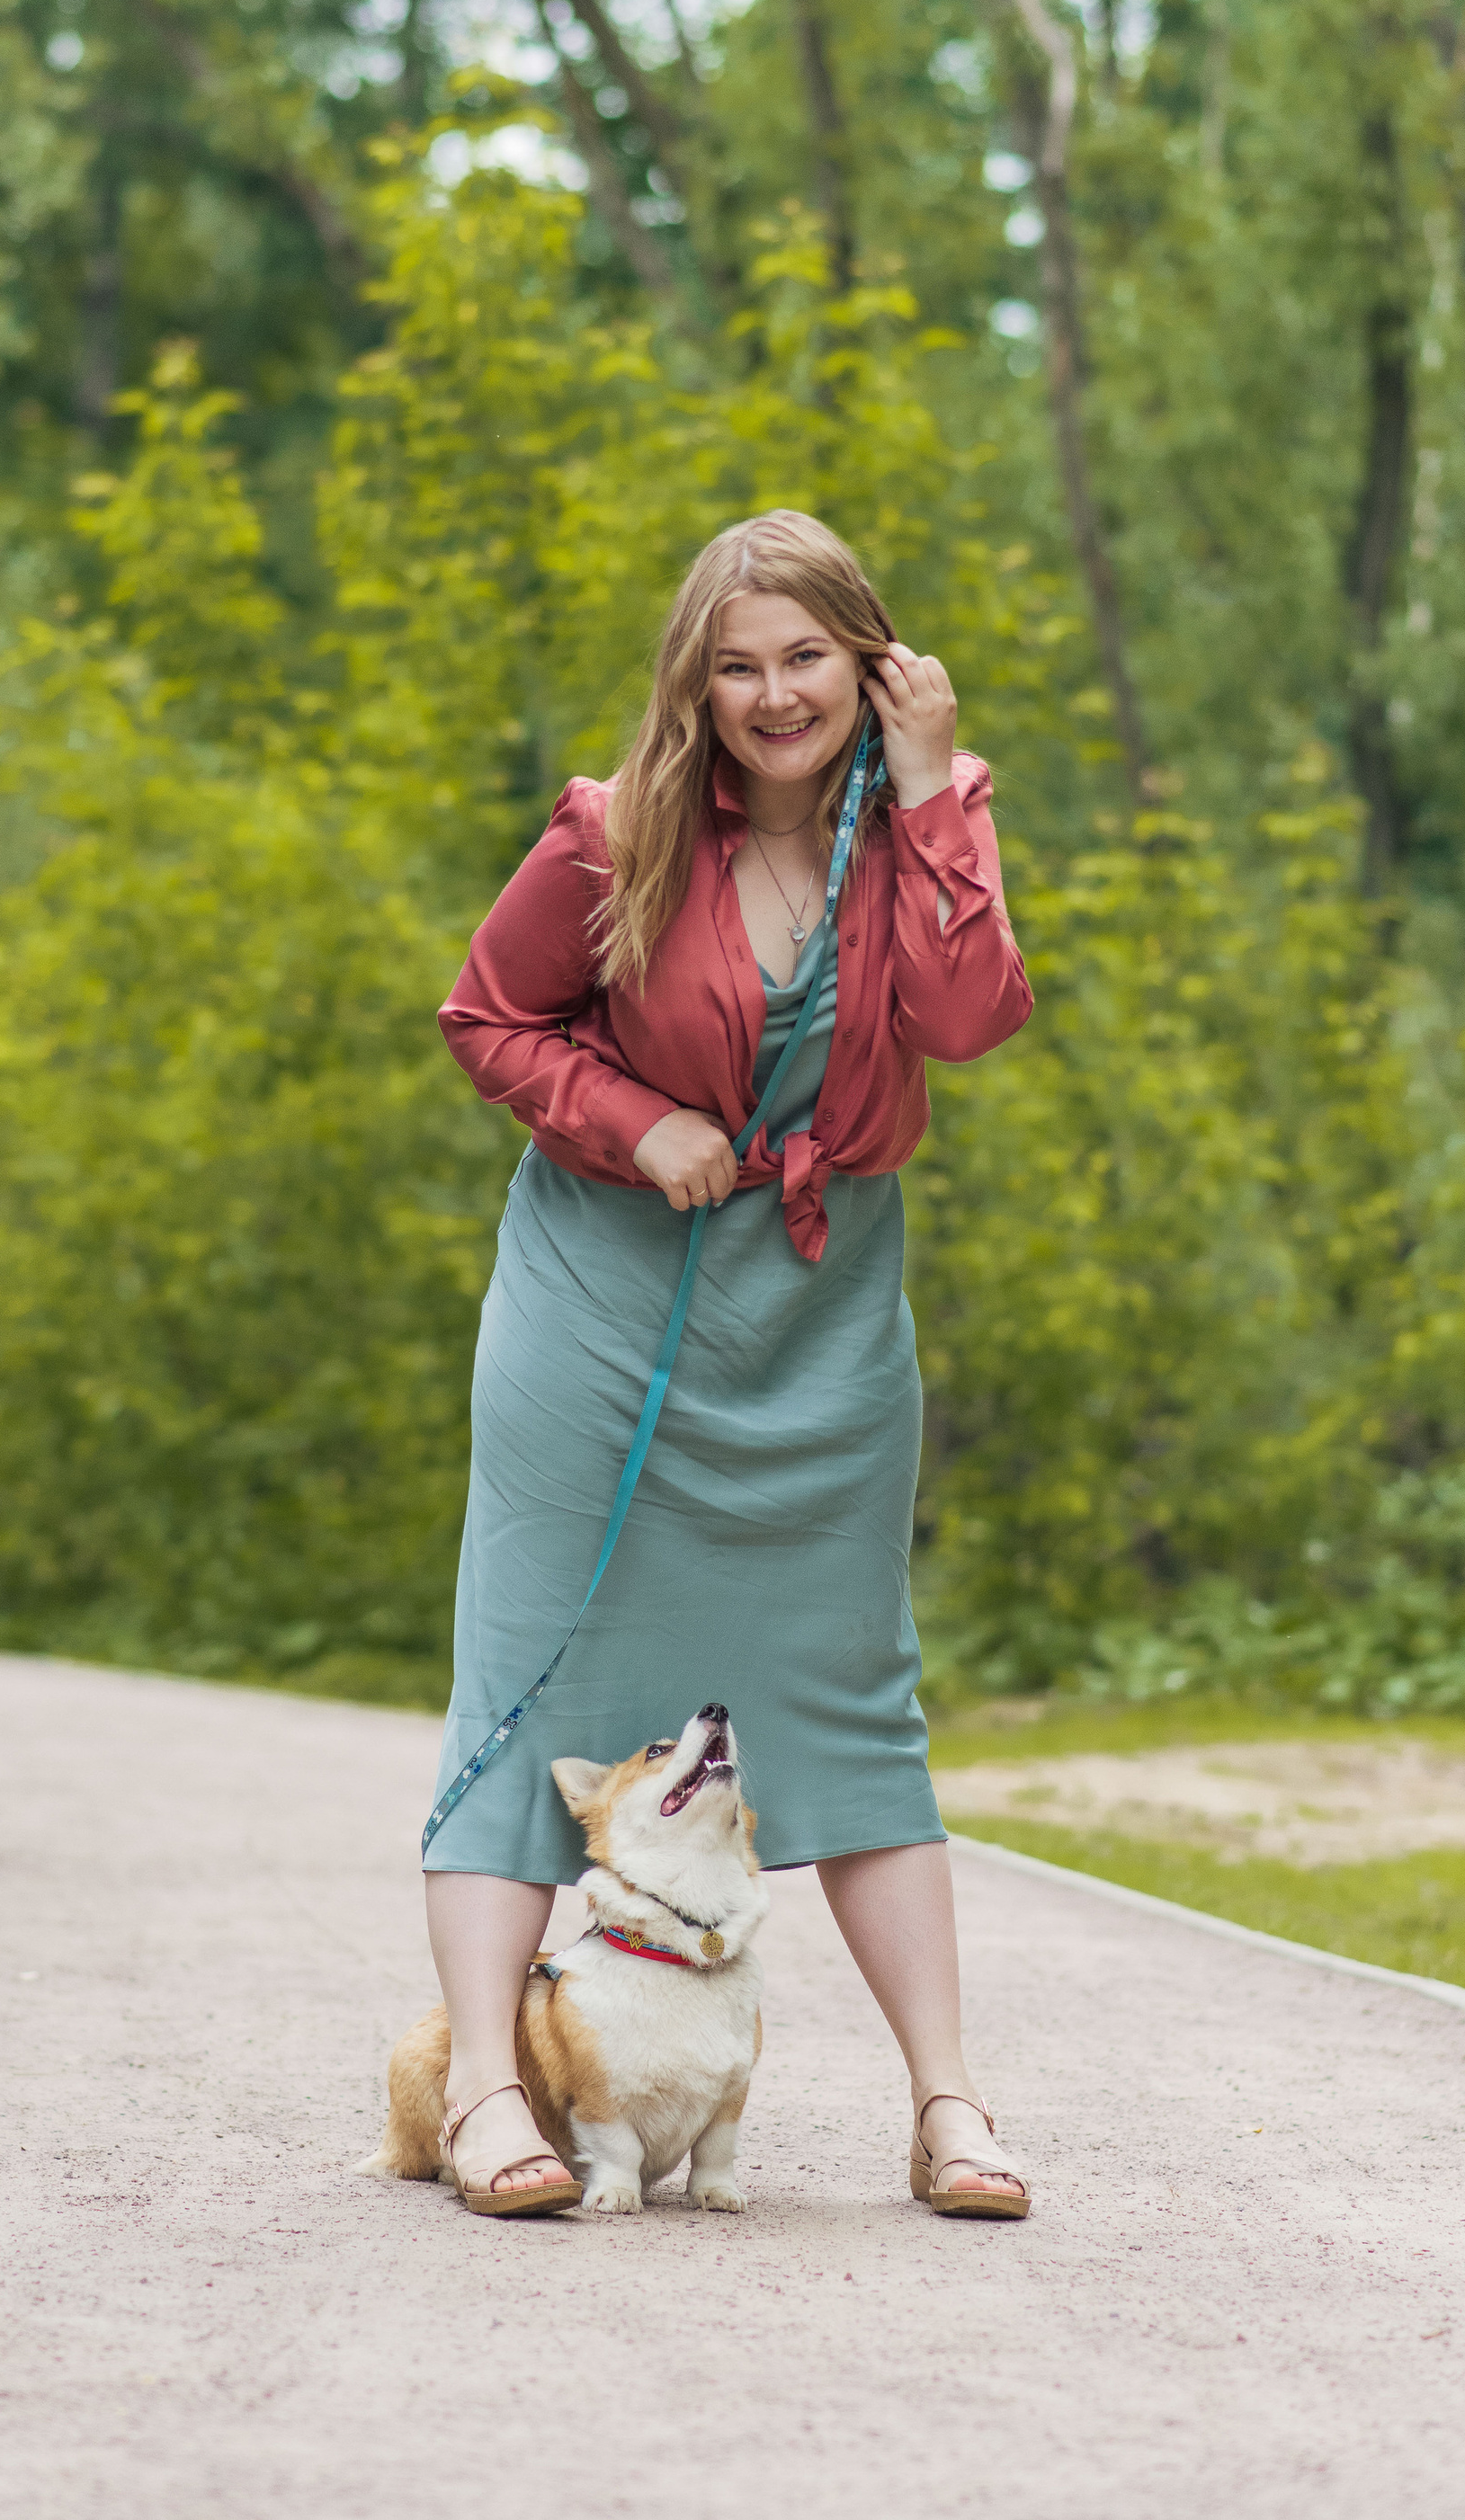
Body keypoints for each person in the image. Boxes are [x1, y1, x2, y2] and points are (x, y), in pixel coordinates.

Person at [423, 509, 1036, 2220]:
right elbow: (488, 1019)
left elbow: (973, 1017)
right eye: (740, 663)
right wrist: (635, 1121)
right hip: (600, 1304)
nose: (775, 696)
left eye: (809, 660)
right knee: (536, 1688)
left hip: (822, 1320)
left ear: (870, 662)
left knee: (850, 1695)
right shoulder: (612, 835)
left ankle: (950, 2107)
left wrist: (934, 785)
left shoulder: (926, 821)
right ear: (699, 677)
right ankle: (487, 2094)